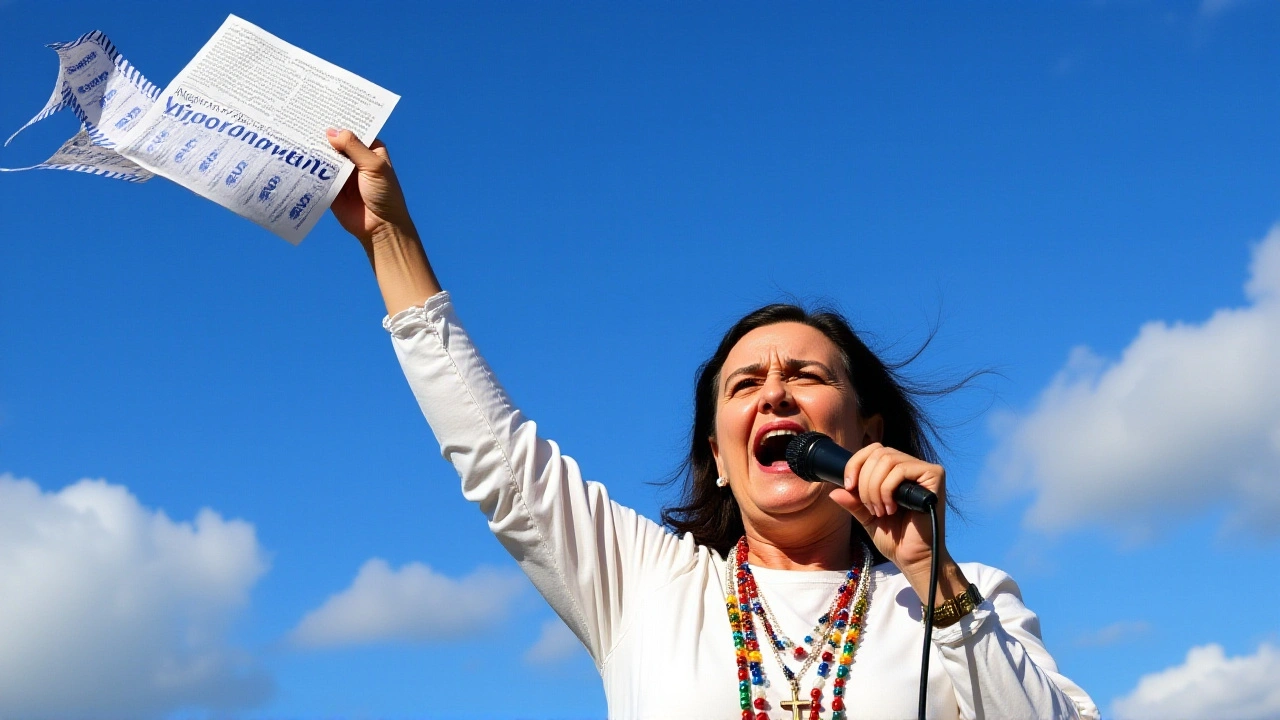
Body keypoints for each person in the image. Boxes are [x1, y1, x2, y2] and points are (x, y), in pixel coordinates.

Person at [324, 128, 1100, 720]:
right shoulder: (647, 586)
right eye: (745, 385)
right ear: (719, 458)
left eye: (807, 376)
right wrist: (390, 238)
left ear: (868, 433)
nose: (775, 395)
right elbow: (497, 455)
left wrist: (935, 577)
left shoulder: (965, 595)